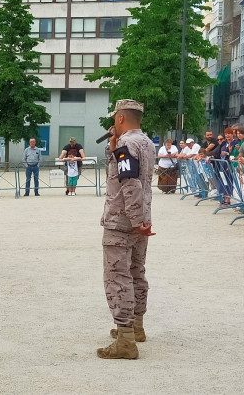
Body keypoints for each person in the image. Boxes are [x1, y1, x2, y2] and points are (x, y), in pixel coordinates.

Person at [97, 99, 155, 360]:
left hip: (122, 222)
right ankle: (137, 327)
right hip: (140, 219)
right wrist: (141, 220)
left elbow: (129, 182)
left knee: (117, 278)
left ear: (120, 118)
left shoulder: (126, 144)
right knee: (136, 273)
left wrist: (133, 220)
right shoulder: (146, 142)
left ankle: (125, 340)